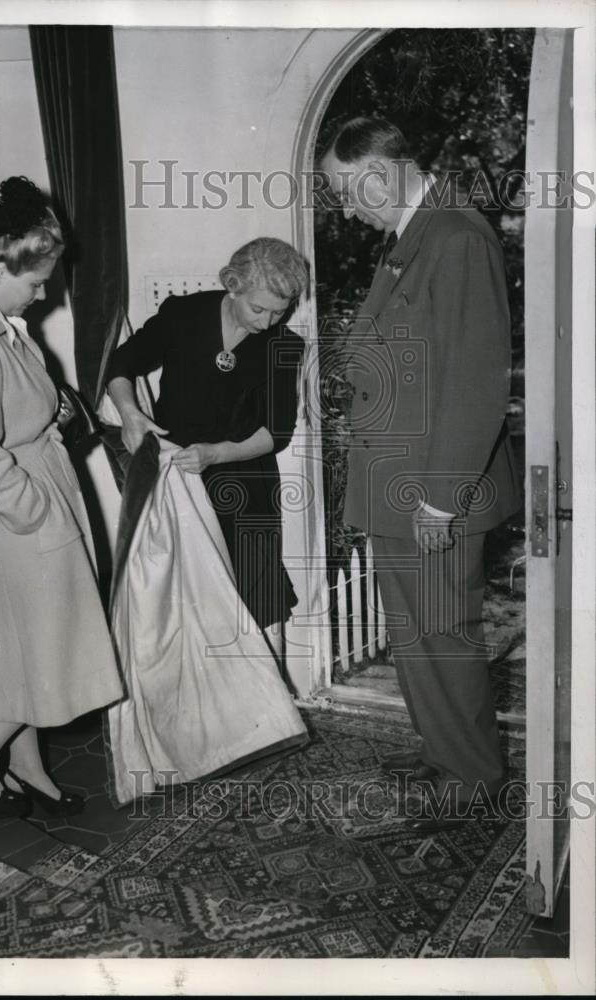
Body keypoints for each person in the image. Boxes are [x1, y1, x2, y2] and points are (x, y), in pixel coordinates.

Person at [320, 118, 522, 830]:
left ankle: (473, 776)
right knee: (414, 631)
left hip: (433, 491)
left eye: (346, 190)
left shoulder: (457, 237)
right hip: (398, 482)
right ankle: (444, 750)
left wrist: (440, 502)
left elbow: (475, 379)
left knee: (444, 631)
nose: (345, 207)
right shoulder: (414, 236)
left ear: (380, 170)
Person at [0, 176, 123, 819]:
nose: (43, 294)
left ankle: (29, 765)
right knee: (42, 648)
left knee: (27, 654)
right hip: (17, 517)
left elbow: (23, 406)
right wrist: (37, 512)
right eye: (36, 280)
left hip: (37, 495)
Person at [103, 237, 310, 802]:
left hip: (243, 482)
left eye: (279, 311)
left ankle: (256, 727)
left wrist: (217, 453)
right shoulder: (185, 314)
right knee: (178, 605)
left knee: (252, 597)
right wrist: (131, 416)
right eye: (258, 308)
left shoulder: (281, 347)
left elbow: (277, 432)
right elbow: (120, 365)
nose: (268, 322)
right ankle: (192, 735)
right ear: (232, 283)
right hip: (175, 483)